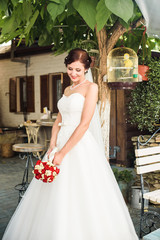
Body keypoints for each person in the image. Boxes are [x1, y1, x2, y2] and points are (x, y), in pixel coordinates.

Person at [2, 48, 138, 240]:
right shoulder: (67, 89)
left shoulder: (92, 88)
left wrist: (62, 153)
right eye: (70, 69)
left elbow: (84, 125)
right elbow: (59, 118)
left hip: (79, 144)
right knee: (52, 193)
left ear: (86, 69)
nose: (73, 74)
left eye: (78, 70)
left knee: (80, 190)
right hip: (61, 141)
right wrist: (52, 145)